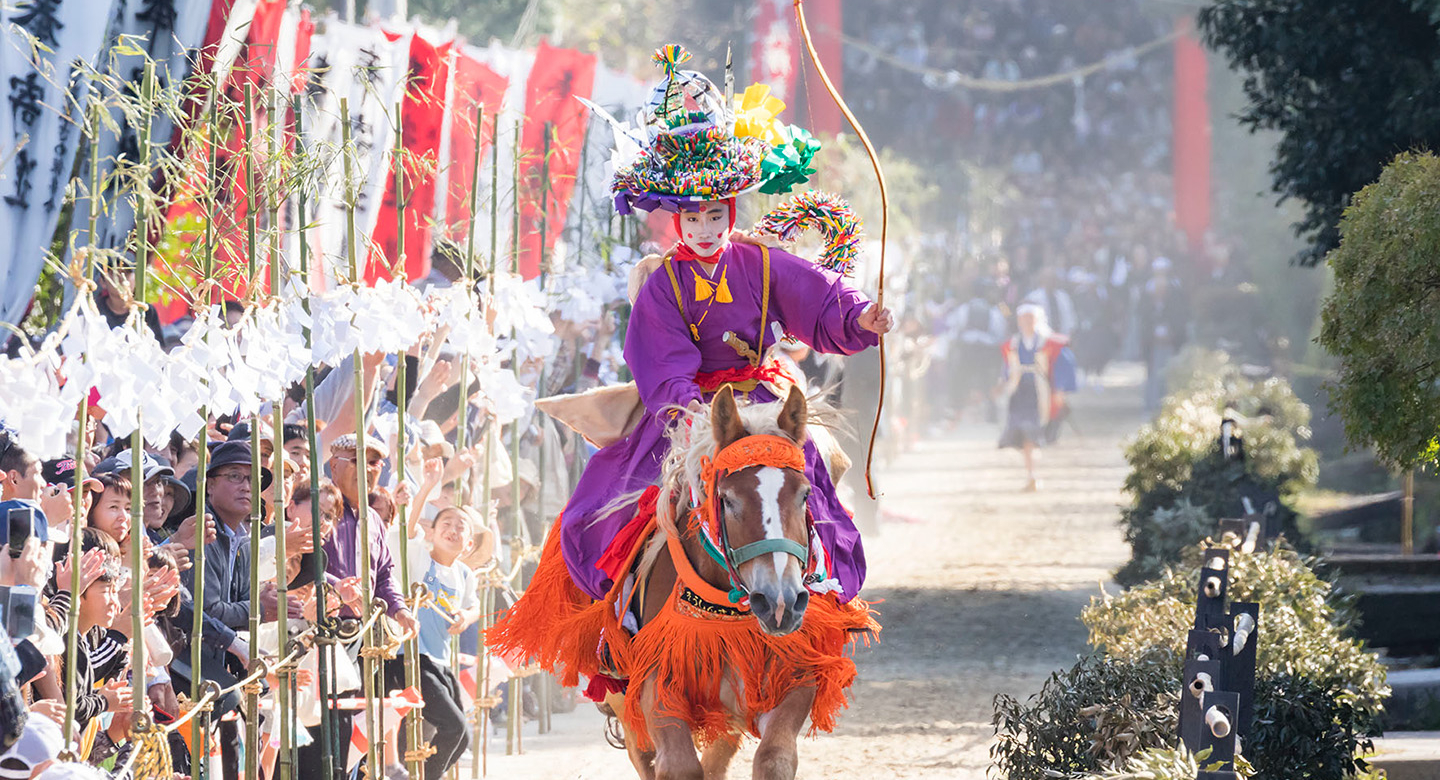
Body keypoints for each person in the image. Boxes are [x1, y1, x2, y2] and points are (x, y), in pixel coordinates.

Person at [558, 46, 894, 607]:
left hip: (765, 392)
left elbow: (819, 296)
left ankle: (822, 588)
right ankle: (617, 619)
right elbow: (662, 367)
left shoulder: (762, 262)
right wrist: (696, 418)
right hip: (687, 409)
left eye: (716, 215)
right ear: (677, 219)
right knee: (607, 497)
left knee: (810, 473)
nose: (706, 227)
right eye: (693, 217)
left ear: (730, 215)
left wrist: (861, 315)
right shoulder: (662, 282)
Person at [384, 506, 480, 780]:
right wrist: (425, 488)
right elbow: (406, 532)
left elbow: (474, 606)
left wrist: (465, 617)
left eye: (461, 527)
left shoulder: (464, 574)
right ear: (433, 533)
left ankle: (421, 775)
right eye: (446, 524)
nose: (452, 530)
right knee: (454, 728)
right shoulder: (420, 560)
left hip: (442, 662)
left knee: (460, 739)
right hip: (412, 658)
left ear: (469, 543)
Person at [997, 304, 1077, 491]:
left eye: (1030, 318)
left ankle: (1032, 472)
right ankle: (1031, 472)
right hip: (1019, 392)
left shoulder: (1049, 343)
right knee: (1023, 432)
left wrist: (1060, 390)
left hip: (1040, 392)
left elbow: (1063, 364)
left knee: (1030, 432)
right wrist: (1002, 383)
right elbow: (1007, 368)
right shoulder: (1014, 344)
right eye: (1023, 318)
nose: (1026, 322)